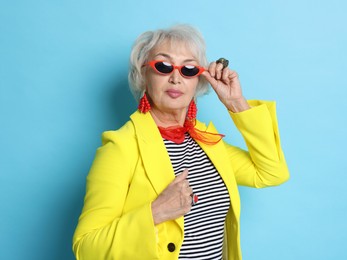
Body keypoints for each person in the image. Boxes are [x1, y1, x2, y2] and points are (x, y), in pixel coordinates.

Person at [72, 24, 289, 260]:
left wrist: (236, 103)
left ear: (199, 79)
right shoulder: (121, 148)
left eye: (188, 69)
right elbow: (86, 248)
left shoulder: (208, 143)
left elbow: (271, 173)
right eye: (163, 66)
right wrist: (155, 213)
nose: (176, 78)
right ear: (143, 74)